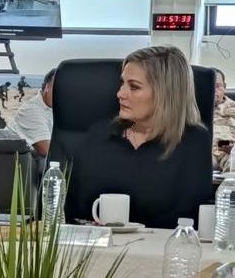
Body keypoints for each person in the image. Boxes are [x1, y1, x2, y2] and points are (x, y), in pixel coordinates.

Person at [65, 46, 211, 229]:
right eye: (122, 83)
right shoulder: (100, 134)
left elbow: (189, 218)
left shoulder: (193, 141)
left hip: (161, 244)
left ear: (165, 93)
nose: (120, 93)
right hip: (97, 241)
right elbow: (71, 207)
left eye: (134, 87)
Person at [9, 69, 55, 157]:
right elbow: (47, 151)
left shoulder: (51, 108)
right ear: (47, 87)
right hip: (13, 162)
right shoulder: (31, 110)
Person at [212, 68, 235, 171]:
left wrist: (232, 148)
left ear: (224, 87)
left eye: (217, 86)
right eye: (209, 86)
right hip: (205, 152)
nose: (213, 90)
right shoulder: (193, 110)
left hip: (229, 152)